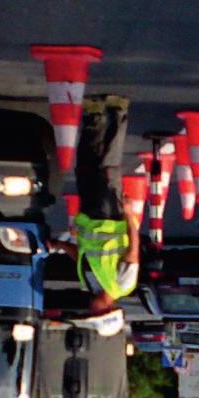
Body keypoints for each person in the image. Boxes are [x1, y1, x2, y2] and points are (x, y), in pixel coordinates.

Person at [49, 94, 140, 321]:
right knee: (107, 167)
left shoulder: (89, 285)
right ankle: (118, 112)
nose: (91, 309)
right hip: (110, 216)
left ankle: (94, 116)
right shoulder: (122, 285)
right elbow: (133, 251)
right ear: (108, 309)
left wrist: (59, 245)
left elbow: (82, 255)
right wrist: (129, 214)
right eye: (96, 312)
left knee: (85, 167)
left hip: (89, 217)